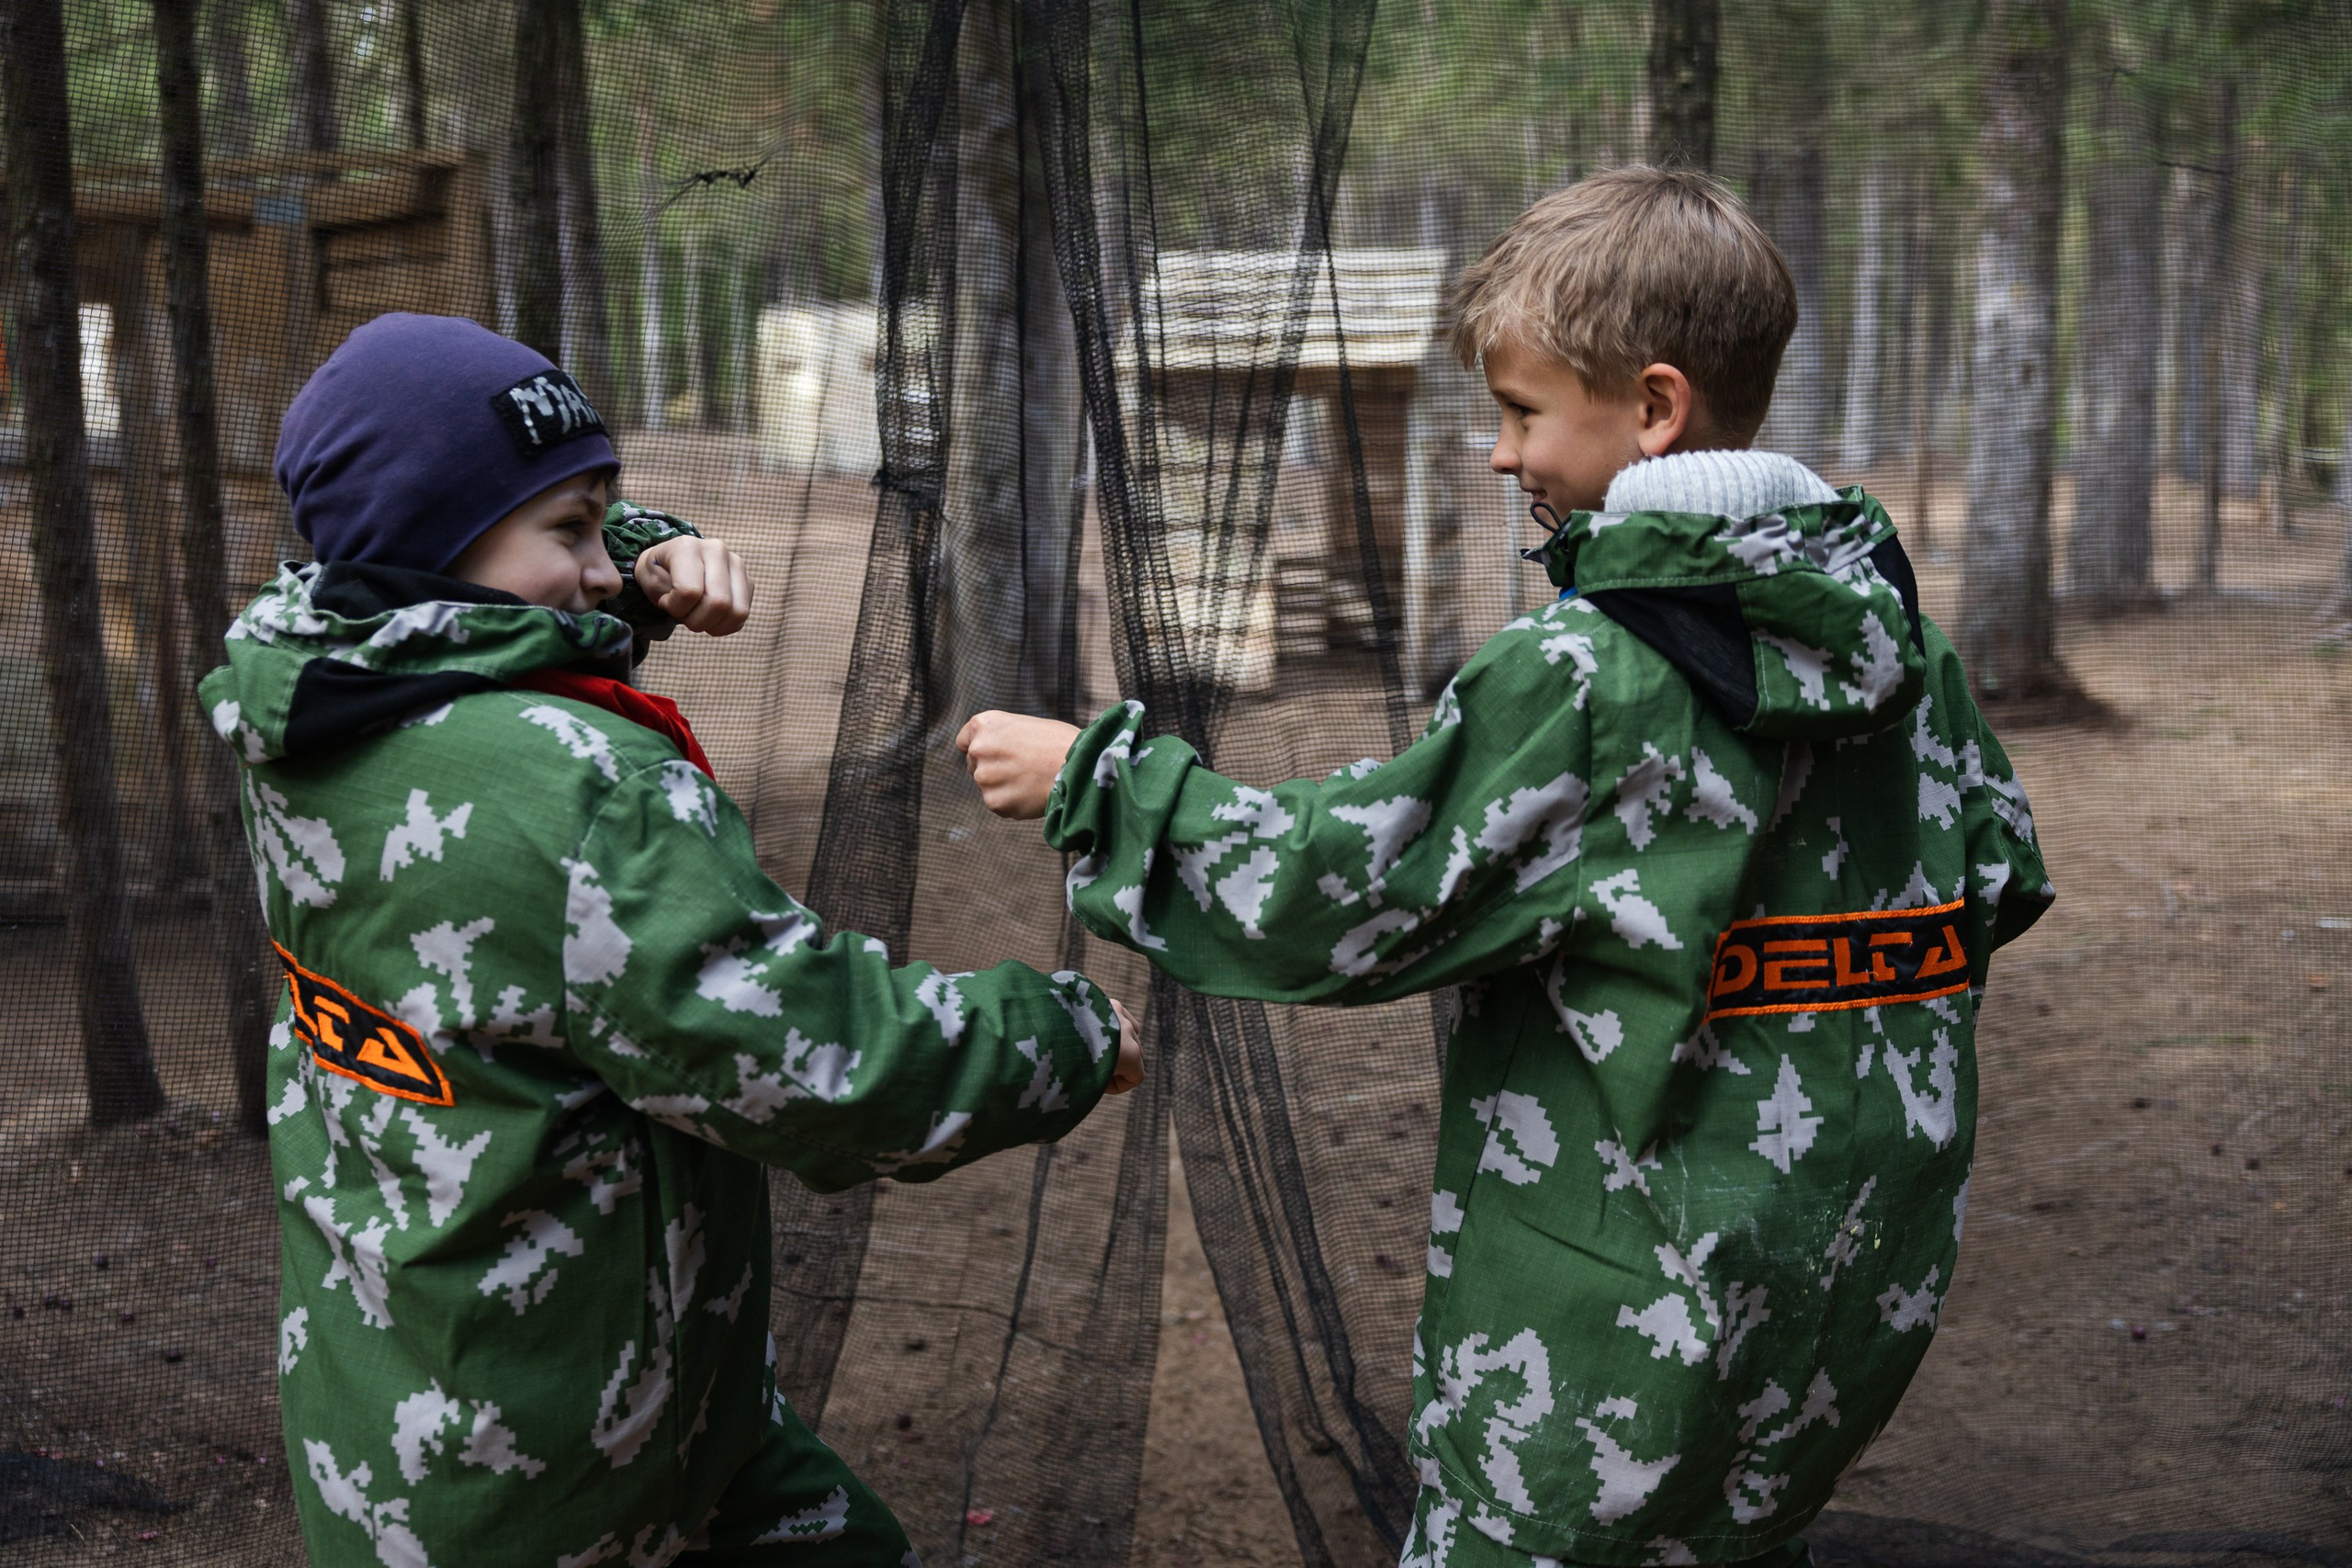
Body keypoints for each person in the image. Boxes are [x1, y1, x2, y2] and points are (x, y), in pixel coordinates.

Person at [958, 166, 2052, 1567]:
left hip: (1604, 1337)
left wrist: (1100, 788)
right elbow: (1994, 886)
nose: (1497, 454)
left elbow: (1338, 895)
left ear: (1654, 408)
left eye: (1523, 411)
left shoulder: (1592, 678)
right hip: (1842, 1299)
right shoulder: (1912, 654)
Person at [204, 312, 1139, 1567]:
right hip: (569, 1475)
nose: (602, 562)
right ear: (436, 538)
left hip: (418, 1417)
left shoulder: (302, 697)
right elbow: (824, 1067)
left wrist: (631, 553)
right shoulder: (586, 791)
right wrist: (1065, 1033)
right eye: (572, 528)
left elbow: (468, 610)